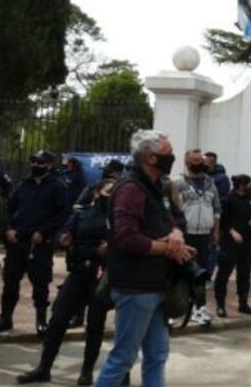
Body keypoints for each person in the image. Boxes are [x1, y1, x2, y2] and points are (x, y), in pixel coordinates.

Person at [94, 129, 196, 387]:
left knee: (157, 356)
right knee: (123, 358)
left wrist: (176, 235)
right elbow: (126, 239)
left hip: (158, 284)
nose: (172, 157)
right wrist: (167, 249)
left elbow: (172, 219)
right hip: (135, 287)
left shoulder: (156, 187)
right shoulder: (130, 190)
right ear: (150, 158)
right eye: (168, 153)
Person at [16, 175, 124, 385]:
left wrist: (108, 248)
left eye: (114, 193)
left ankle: (86, 371)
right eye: (108, 192)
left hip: (101, 278)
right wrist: (65, 239)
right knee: (57, 320)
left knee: (95, 325)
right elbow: (64, 234)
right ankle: (44, 367)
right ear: (96, 193)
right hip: (78, 274)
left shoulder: (118, 219)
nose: (110, 197)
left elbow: (123, 244)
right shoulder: (81, 215)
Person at [0, 150, 70, 336]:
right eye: (33, 162)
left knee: (40, 284)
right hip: (18, 240)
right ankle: (5, 318)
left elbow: (62, 214)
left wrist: (44, 232)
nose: (35, 166)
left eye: (40, 163)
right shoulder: (24, 184)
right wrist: (8, 228)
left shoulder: (57, 186)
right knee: (10, 281)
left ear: (49, 165)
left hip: (40, 243)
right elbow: (11, 208)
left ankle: (41, 321)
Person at [174, 149, 221, 326]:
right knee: (179, 272)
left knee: (202, 273)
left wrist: (216, 231)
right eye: (196, 160)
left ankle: (199, 309)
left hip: (204, 235)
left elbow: (217, 210)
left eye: (201, 160)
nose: (200, 163)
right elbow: (172, 210)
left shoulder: (210, 183)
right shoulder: (177, 183)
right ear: (187, 163)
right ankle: (174, 309)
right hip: (185, 234)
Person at [215, 174, 251, 316]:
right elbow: (223, 221)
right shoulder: (228, 199)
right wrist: (232, 232)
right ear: (241, 185)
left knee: (244, 274)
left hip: (247, 243)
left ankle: (243, 303)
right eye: (248, 183)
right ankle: (220, 305)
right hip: (230, 243)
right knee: (224, 274)